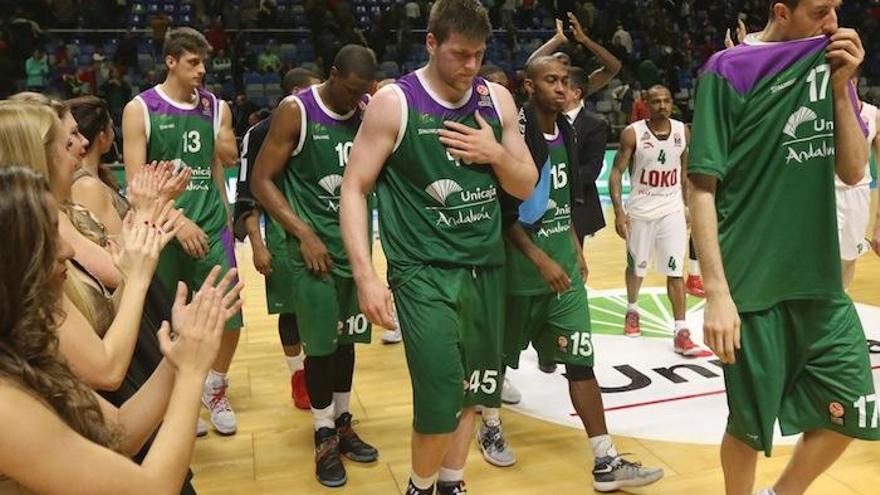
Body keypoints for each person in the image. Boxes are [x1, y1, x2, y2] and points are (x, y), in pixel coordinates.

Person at [340, 1, 537, 493]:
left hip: (487, 267)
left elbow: (526, 185)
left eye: (479, 54)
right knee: (440, 395)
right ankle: (419, 486)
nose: (470, 66)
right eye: (458, 54)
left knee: (474, 390)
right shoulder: (395, 102)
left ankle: (451, 482)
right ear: (431, 43)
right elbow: (353, 188)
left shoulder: (498, 101)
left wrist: (494, 154)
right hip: (422, 272)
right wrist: (365, 275)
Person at [689, 2, 880, 494]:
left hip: (819, 284)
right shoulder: (727, 71)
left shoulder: (832, 63)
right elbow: (703, 188)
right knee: (749, 428)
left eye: (836, 9)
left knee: (855, 407)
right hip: (752, 287)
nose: (832, 23)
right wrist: (716, 293)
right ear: (781, 11)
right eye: (819, 11)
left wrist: (842, 88)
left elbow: (855, 170)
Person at [479, 54, 664, 491]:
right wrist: (540, 259)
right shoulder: (514, 135)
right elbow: (502, 214)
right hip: (517, 275)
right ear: (529, 86)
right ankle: (489, 423)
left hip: (561, 271)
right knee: (494, 362)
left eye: (565, 81)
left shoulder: (566, 130)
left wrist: (574, 248)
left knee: (581, 363)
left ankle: (605, 459)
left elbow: (566, 199)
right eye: (551, 81)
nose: (561, 88)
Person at [0, 165, 238, 495]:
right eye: (48, 236)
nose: (68, 251)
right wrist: (192, 373)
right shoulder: (7, 408)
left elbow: (121, 433)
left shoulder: (23, 354)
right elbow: (153, 489)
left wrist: (178, 356)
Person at [252, 45, 379, 487]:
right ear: (332, 73)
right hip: (312, 254)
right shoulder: (296, 111)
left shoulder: (365, 111)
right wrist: (303, 233)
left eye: (364, 92)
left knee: (347, 344)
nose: (356, 100)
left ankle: (343, 422)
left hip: (354, 251)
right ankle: (323, 434)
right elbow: (261, 180)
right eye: (351, 90)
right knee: (321, 347)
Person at [122, 27, 243, 436]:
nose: (202, 70)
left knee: (230, 316)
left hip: (210, 222)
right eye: (193, 62)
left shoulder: (214, 106)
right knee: (169, 319)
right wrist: (178, 220)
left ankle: (214, 387)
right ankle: (178, 397)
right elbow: (138, 187)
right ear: (171, 61)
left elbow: (217, 165)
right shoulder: (140, 109)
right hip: (163, 228)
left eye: (204, 62)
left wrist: (224, 215)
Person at [233, 67, 321, 410]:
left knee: (323, 307)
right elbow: (246, 192)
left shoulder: (322, 126)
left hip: (323, 231)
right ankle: (298, 374)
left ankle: (319, 369)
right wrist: (257, 244)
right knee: (291, 311)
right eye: (313, 92)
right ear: (296, 93)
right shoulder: (259, 133)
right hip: (282, 237)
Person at [610, 85, 706, 357]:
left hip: (671, 208)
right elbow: (616, 172)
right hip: (640, 209)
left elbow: (685, 170)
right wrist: (619, 210)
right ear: (646, 104)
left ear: (672, 103)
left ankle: (681, 330)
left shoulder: (682, 131)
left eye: (666, 100)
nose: (662, 105)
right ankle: (632, 309)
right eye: (656, 101)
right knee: (637, 267)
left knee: (675, 271)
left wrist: (687, 206)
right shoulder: (633, 133)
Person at [836, 76, 879, 288]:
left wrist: (878, 222)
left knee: (849, 256)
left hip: (859, 194)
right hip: (826, 193)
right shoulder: (828, 111)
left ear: (856, 81)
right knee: (824, 258)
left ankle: (842, 298)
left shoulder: (873, 114)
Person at [527, 13, 621, 100]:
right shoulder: (543, 87)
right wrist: (557, 39)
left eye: (565, 63)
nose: (561, 65)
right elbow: (530, 67)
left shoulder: (578, 87)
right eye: (557, 61)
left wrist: (585, 40)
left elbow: (614, 67)